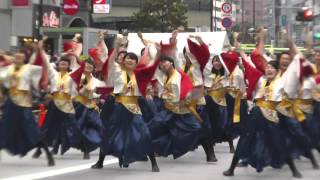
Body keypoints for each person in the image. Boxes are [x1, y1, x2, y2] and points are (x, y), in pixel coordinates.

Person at [223, 60, 303, 178]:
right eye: (267, 67)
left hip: (271, 117)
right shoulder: (262, 81)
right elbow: (251, 69)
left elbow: (291, 93)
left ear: (277, 71)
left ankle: (294, 170)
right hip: (256, 114)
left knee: (278, 142)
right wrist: (242, 58)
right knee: (245, 139)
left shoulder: (281, 82)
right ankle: (231, 169)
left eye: (272, 68)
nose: (269, 69)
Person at [91, 36, 160, 172]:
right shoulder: (117, 72)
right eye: (127, 57)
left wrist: (157, 53)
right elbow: (109, 63)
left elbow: (152, 66)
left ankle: (154, 163)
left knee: (144, 134)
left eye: (132, 59)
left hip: (134, 108)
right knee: (110, 133)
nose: (129, 60)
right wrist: (116, 48)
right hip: (119, 107)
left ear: (136, 63)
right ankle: (100, 162)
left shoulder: (140, 75)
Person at [0, 42, 54, 166]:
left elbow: (45, 67)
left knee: (31, 130)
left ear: (24, 58)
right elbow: (3, 80)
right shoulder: (9, 69)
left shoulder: (29, 68)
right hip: (11, 103)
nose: (18, 57)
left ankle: (48, 154)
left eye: (21, 56)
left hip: (23, 104)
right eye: (16, 56)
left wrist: (41, 52)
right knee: (5, 127)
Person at [148, 55, 202, 160]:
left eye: (165, 62)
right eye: (161, 63)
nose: (163, 64)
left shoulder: (176, 76)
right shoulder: (165, 75)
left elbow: (175, 97)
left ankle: (171, 147)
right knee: (153, 128)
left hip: (178, 110)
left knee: (195, 128)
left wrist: (161, 95)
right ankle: (155, 149)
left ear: (172, 62)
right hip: (168, 109)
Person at [33, 53, 81, 157]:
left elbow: (82, 68)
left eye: (65, 64)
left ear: (68, 66)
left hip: (67, 105)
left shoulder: (72, 77)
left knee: (74, 127)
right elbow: (46, 63)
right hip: (54, 104)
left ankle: (84, 148)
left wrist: (74, 55)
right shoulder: (53, 74)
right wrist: (40, 49)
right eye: (61, 63)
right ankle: (40, 149)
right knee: (47, 128)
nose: (63, 65)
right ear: (58, 65)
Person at [72, 57, 105, 159]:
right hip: (79, 106)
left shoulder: (97, 82)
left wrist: (99, 98)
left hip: (91, 107)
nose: (88, 68)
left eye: (90, 67)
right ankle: (85, 148)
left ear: (93, 69)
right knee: (80, 128)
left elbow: (101, 95)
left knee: (96, 126)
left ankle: (88, 148)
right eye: (86, 66)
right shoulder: (77, 78)